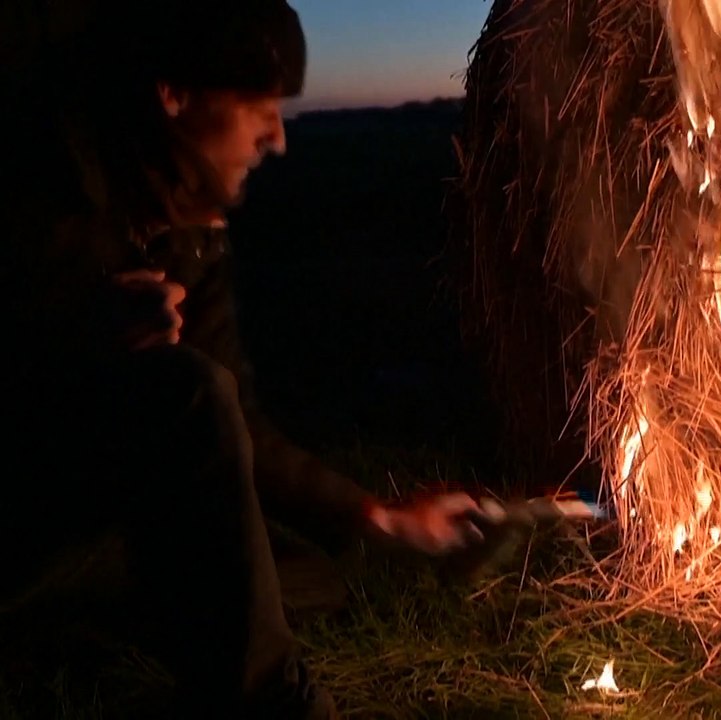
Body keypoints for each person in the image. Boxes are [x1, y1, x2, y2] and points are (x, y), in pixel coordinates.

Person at [0, 1, 486, 717]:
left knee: (309, 573)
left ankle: (89, 613)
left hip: (99, 528)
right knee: (181, 387)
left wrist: (375, 516)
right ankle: (272, 703)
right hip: (20, 510)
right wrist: (79, 339)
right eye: (260, 109)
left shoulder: (185, 228)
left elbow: (240, 429)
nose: (279, 140)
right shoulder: (33, 195)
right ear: (175, 95)